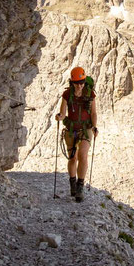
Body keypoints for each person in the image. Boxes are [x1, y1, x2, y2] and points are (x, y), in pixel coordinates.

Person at [54, 66, 98, 201]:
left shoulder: (90, 94)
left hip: (86, 129)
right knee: (72, 158)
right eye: (77, 83)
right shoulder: (67, 95)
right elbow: (63, 112)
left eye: (82, 83)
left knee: (82, 155)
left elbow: (94, 112)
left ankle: (80, 188)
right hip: (71, 129)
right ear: (72, 83)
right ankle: (72, 184)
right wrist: (59, 117)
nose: (80, 86)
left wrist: (95, 127)